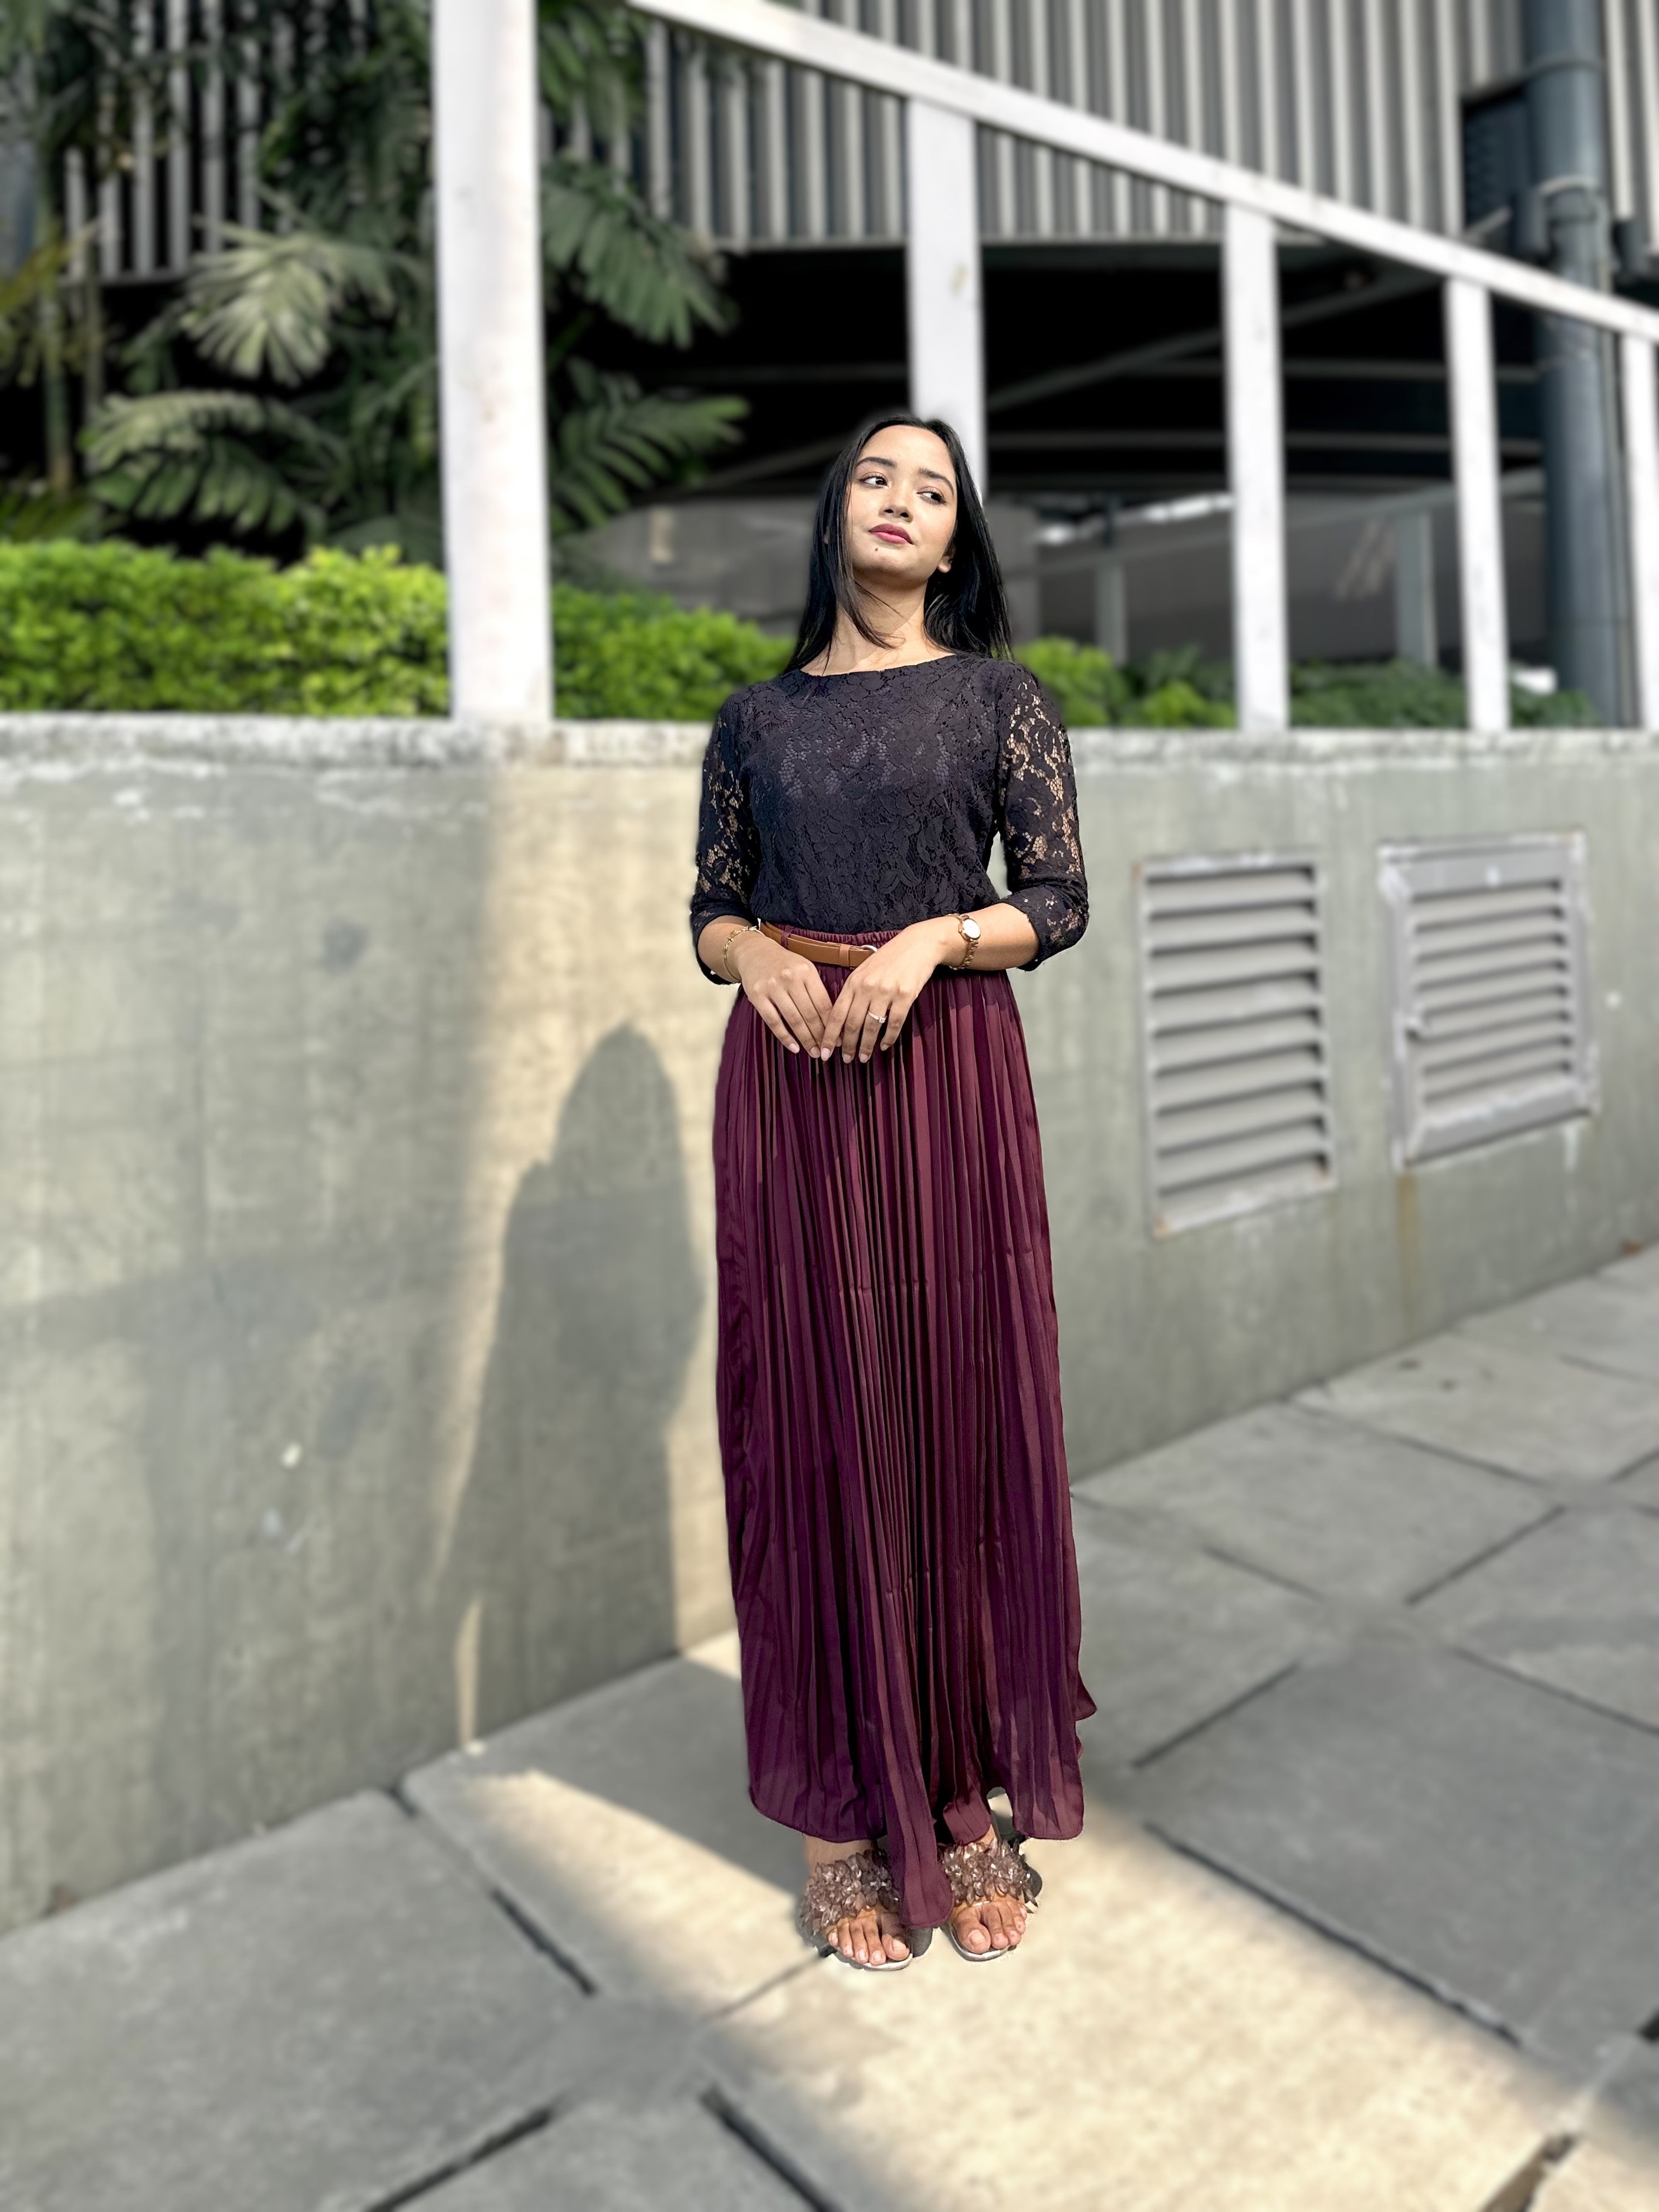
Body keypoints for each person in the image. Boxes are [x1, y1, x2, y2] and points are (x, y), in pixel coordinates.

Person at [689, 412, 1095, 1969]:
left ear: (952, 537)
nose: (902, 502)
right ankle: (833, 1812)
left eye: (932, 489)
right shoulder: (755, 718)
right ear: (834, 510)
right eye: (876, 474)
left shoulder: (1003, 698)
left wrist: (933, 937)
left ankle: (959, 1783)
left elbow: (1054, 896)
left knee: (955, 1412)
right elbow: (710, 904)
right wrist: (755, 956)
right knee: (807, 1418)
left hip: (948, 1075)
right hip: (790, 1078)